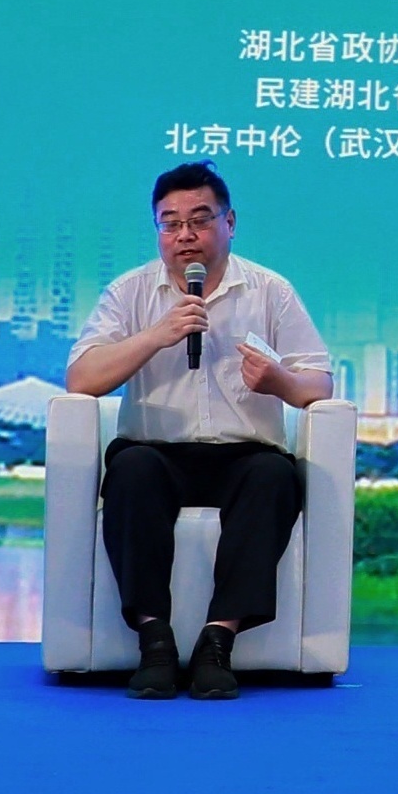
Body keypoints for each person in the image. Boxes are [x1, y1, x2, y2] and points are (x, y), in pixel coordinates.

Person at [64, 161, 333, 700]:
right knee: (131, 470)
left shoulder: (270, 291)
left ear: (229, 223)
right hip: (155, 453)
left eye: (200, 220)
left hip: (243, 457)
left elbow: (319, 383)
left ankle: (217, 642)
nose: (184, 235)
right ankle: (155, 642)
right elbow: (81, 378)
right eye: (170, 223)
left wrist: (279, 381)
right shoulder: (130, 292)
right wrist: (156, 336)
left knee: (274, 476)